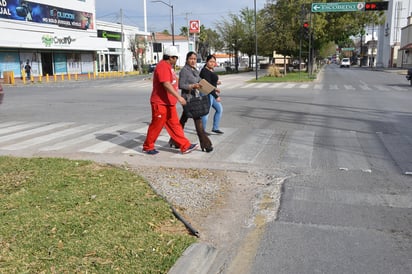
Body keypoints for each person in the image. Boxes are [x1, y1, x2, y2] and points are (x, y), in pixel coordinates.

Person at [142, 46, 198, 155]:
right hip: (160, 103)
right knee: (156, 125)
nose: (176, 60)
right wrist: (179, 97)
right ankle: (148, 146)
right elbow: (166, 84)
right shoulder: (162, 66)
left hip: (169, 103)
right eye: (176, 58)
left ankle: (185, 145)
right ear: (171, 57)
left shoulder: (169, 66)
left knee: (175, 125)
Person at [169, 51, 213, 152]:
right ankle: (206, 144)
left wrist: (213, 89)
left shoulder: (194, 70)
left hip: (194, 99)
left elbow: (201, 81)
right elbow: (181, 85)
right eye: (191, 59)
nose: (193, 61)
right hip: (187, 99)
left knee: (183, 120)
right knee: (198, 120)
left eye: (194, 59)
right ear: (187, 60)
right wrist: (192, 86)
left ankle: (174, 140)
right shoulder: (184, 70)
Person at [200, 55, 224, 134]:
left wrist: (216, 82)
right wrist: (216, 96)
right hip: (207, 93)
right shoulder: (204, 71)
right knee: (206, 112)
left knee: (219, 109)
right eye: (210, 61)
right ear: (206, 62)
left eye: (214, 62)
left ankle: (215, 128)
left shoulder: (211, 70)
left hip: (212, 93)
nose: (212, 63)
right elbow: (207, 85)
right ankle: (202, 130)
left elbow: (211, 81)